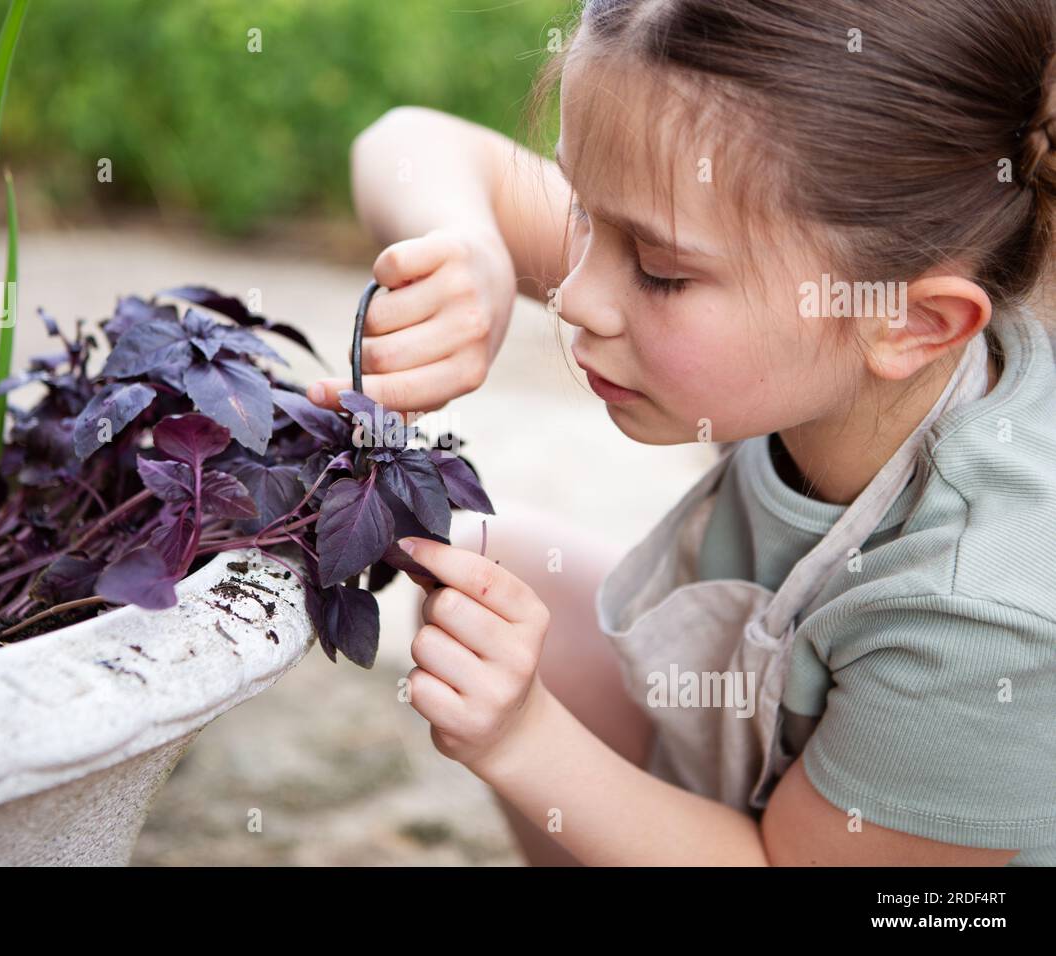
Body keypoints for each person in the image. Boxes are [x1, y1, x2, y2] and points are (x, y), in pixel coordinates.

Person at [306, 0, 1056, 865]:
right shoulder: (818, 322)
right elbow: (402, 143)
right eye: (584, 214)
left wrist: (522, 740)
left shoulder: (991, 604)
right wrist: (470, 248)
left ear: (912, 324)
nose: (576, 297)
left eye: (660, 273)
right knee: (494, 573)